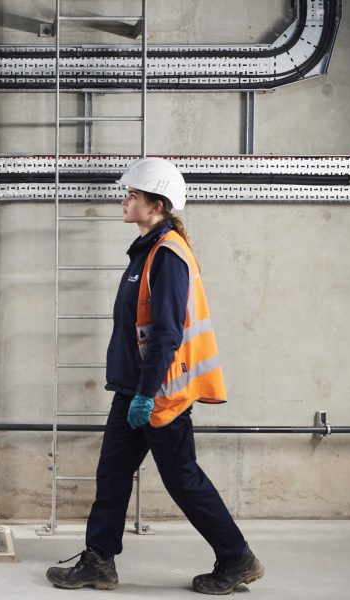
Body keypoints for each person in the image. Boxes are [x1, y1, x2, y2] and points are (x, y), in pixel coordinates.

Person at [45, 157, 264, 595]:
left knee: (182, 478)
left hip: (159, 393)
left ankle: (237, 558)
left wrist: (146, 395)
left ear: (157, 204)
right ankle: (99, 562)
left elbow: (166, 333)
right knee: (111, 474)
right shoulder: (146, 251)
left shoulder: (167, 256)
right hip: (135, 389)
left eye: (133, 195)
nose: (124, 199)